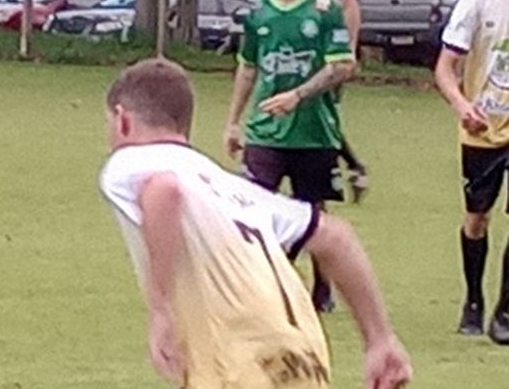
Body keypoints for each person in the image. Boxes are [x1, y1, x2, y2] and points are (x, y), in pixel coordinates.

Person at [100, 58, 412, 389]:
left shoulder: (129, 162)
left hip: (235, 358)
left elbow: (165, 190)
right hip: (301, 356)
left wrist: (160, 310)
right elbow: (335, 236)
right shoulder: (231, 188)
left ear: (122, 120)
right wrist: (380, 339)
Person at [224, 0, 356, 313]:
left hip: (313, 132)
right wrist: (233, 121)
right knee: (253, 207)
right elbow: (248, 67)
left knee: (311, 212)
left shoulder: (325, 9)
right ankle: (261, 286)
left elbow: (341, 65)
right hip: (265, 131)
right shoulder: (258, 11)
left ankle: (322, 287)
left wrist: (297, 95)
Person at [433, 0, 509, 342]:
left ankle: (506, 309)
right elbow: (445, 67)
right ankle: (474, 299)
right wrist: (461, 104)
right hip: (482, 126)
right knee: (477, 217)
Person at [289, 0, 369, 203]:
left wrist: (349, 48)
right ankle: (350, 166)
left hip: (329, 52)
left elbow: (349, 7)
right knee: (305, 111)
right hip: (299, 54)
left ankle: (338, 169)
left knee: (321, 112)